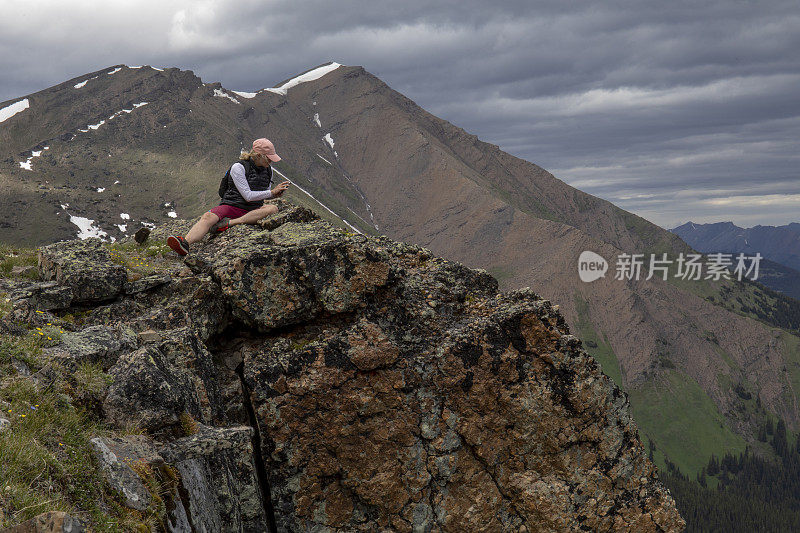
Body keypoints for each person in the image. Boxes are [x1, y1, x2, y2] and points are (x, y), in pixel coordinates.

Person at [167, 138, 290, 256]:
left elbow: (263, 193)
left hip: (253, 208)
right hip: (232, 206)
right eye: (268, 159)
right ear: (258, 155)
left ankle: (229, 223)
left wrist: (274, 195)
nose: (270, 162)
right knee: (208, 217)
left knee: (273, 208)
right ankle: (185, 243)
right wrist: (272, 193)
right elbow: (248, 196)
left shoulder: (268, 171)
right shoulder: (239, 167)